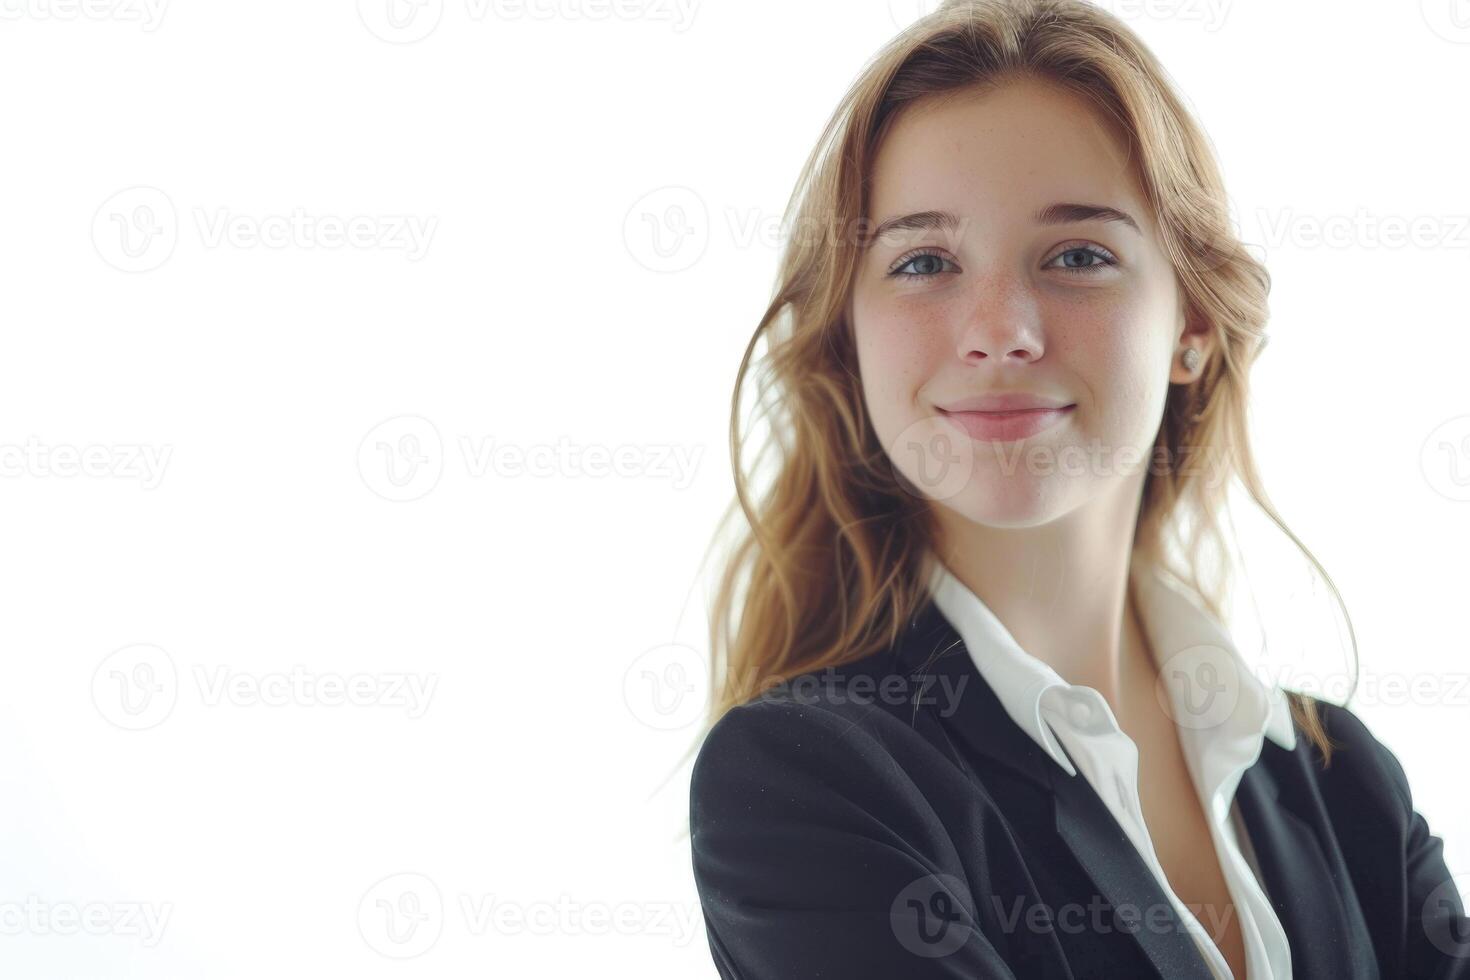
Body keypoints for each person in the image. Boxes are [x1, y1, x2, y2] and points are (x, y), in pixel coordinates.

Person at [687, 1, 1469, 977]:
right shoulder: (806, 782)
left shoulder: (1349, 783)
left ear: (1191, 323)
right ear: (850, 339)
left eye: (1077, 256)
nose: (999, 328)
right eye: (924, 261)